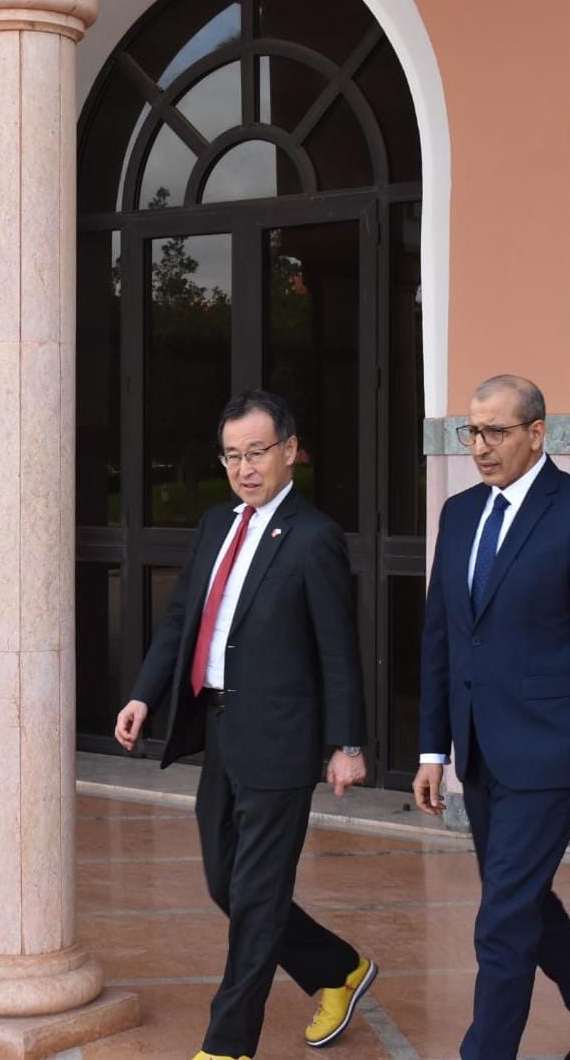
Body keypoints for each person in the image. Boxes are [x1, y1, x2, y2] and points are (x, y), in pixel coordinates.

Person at [114, 390, 376, 1060]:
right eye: (231, 455)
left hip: (282, 738)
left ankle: (228, 1045)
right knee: (223, 881)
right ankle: (337, 967)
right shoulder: (215, 524)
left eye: (256, 452)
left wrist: (346, 743)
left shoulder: (313, 537)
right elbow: (182, 617)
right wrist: (144, 694)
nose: (244, 468)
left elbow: (338, 651)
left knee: (257, 897)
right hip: (222, 729)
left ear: (290, 451)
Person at [412, 375, 570, 1060]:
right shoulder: (460, 513)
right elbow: (442, 637)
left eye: (496, 431)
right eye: (472, 431)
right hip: (479, 748)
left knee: (502, 918)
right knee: (519, 899)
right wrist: (432, 749)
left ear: (537, 432)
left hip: (552, 750)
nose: (480, 446)